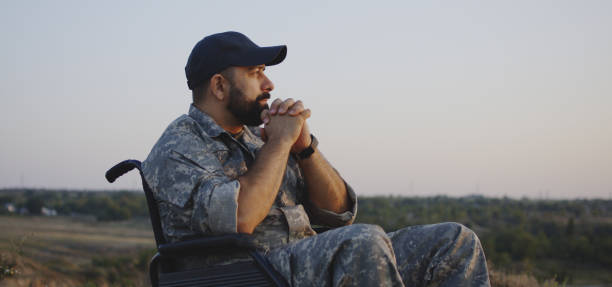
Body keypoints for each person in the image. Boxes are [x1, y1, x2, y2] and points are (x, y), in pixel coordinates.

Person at [143, 31, 491, 287]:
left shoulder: (256, 135)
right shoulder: (179, 145)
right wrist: (279, 143)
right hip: (242, 273)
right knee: (362, 243)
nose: (269, 83)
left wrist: (304, 147)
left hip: (301, 259)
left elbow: (339, 214)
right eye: (255, 73)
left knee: (454, 241)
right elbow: (240, 218)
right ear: (219, 87)